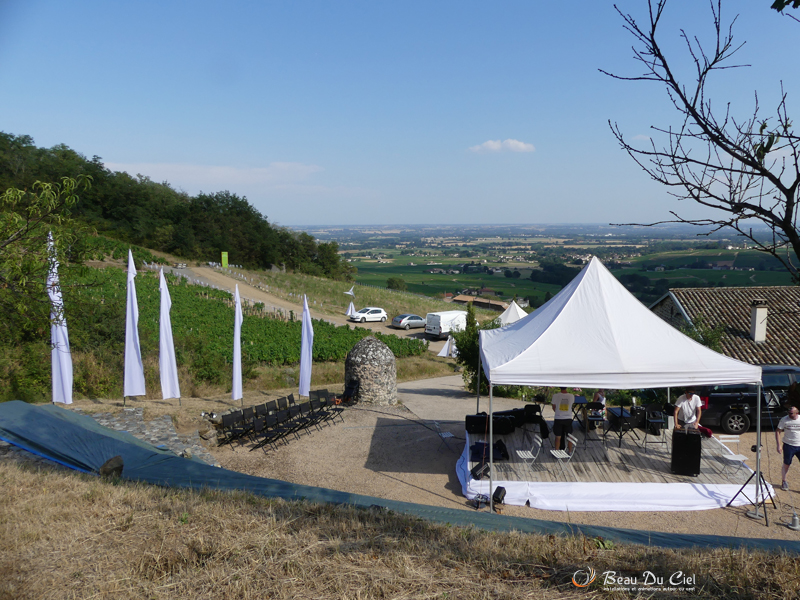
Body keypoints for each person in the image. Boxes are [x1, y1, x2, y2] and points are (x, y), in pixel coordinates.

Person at [776, 405, 800, 491]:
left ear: (797, 413)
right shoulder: (784, 420)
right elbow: (778, 431)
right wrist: (779, 445)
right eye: (788, 413)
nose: (789, 415)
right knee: (787, 464)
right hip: (789, 445)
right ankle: (784, 481)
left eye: (791, 413)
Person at [552, 386, 575, 453]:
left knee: (558, 436)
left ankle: (556, 451)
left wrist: (558, 412)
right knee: (569, 436)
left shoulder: (555, 396)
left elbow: (554, 407)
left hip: (558, 417)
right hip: (568, 418)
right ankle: (570, 451)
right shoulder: (571, 396)